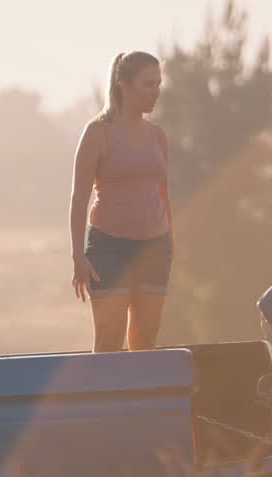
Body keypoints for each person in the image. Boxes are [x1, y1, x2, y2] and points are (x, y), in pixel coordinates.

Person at [69, 51, 173, 352]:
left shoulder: (157, 136)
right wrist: (78, 257)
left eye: (158, 85)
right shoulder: (97, 132)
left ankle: (144, 400)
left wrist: (170, 241)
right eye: (148, 85)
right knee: (109, 338)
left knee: (145, 339)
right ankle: (104, 400)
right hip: (109, 247)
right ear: (123, 84)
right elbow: (79, 199)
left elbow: (162, 193)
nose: (155, 93)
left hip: (155, 247)